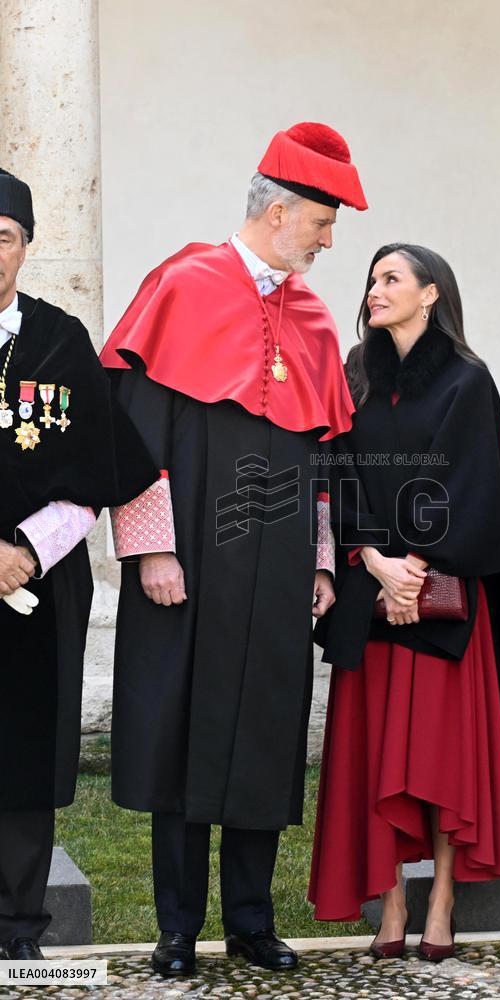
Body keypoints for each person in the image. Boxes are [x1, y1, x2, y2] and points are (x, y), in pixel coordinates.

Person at [99, 122, 367, 976]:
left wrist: (322, 562)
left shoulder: (315, 320)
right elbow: (137, 439)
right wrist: (151, 550)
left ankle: (251, 920)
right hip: (190, 561)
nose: (330, 241)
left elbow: (322, 460)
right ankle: (176, 928)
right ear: (281, 210)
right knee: (181, 733)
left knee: (264, 732)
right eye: (323, 223)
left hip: (279, 567)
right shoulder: (182, 285)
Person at [308, 243, 500, 961]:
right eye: (372, 279)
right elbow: (336, 470)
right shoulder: (354, 375)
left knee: (439, 760)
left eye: (391, 279)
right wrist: (375, 561)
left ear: (430, 293)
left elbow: (473, 483)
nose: (375, 290)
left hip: (443, 601)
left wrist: (417, 567)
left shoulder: (468, 380)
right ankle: (393, 903)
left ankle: (440, 897)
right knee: (376, 756)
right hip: (371, 594)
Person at [0, 168, 156, 960]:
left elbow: (101, 468)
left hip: (39, 579)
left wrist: (24, 552)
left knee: (24, 754)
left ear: (27, 246)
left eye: (3, 237)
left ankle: (19, 929)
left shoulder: (62, 341)